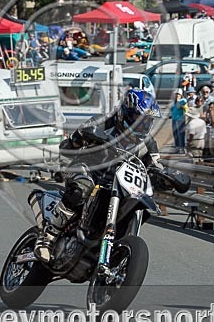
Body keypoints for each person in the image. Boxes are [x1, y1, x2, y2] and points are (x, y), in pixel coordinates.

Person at [34, 90, 163, 262]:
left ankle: (115, 246)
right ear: (124, 113)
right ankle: (48, 237)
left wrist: (163, 175)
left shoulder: (148, 142)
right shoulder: (103, 122)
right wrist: (85, 135)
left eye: (147, 122)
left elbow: (156, 163)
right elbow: (72, 141)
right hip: (83, 166)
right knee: (82, 187)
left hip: (116, 181)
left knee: (137, 201)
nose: (143, 127)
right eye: (139, 120)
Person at [170, 89, 188, 154]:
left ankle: (182, 148)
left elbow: (183, 107)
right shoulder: (174, 102)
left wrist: (178, 101)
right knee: (175, 134)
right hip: (174, 119)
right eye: (176, 94)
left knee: (181, 134)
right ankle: (177, 147)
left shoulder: (183, 100)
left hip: (180, 119)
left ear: (181, 95)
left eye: (178, 94)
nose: (177, 95)